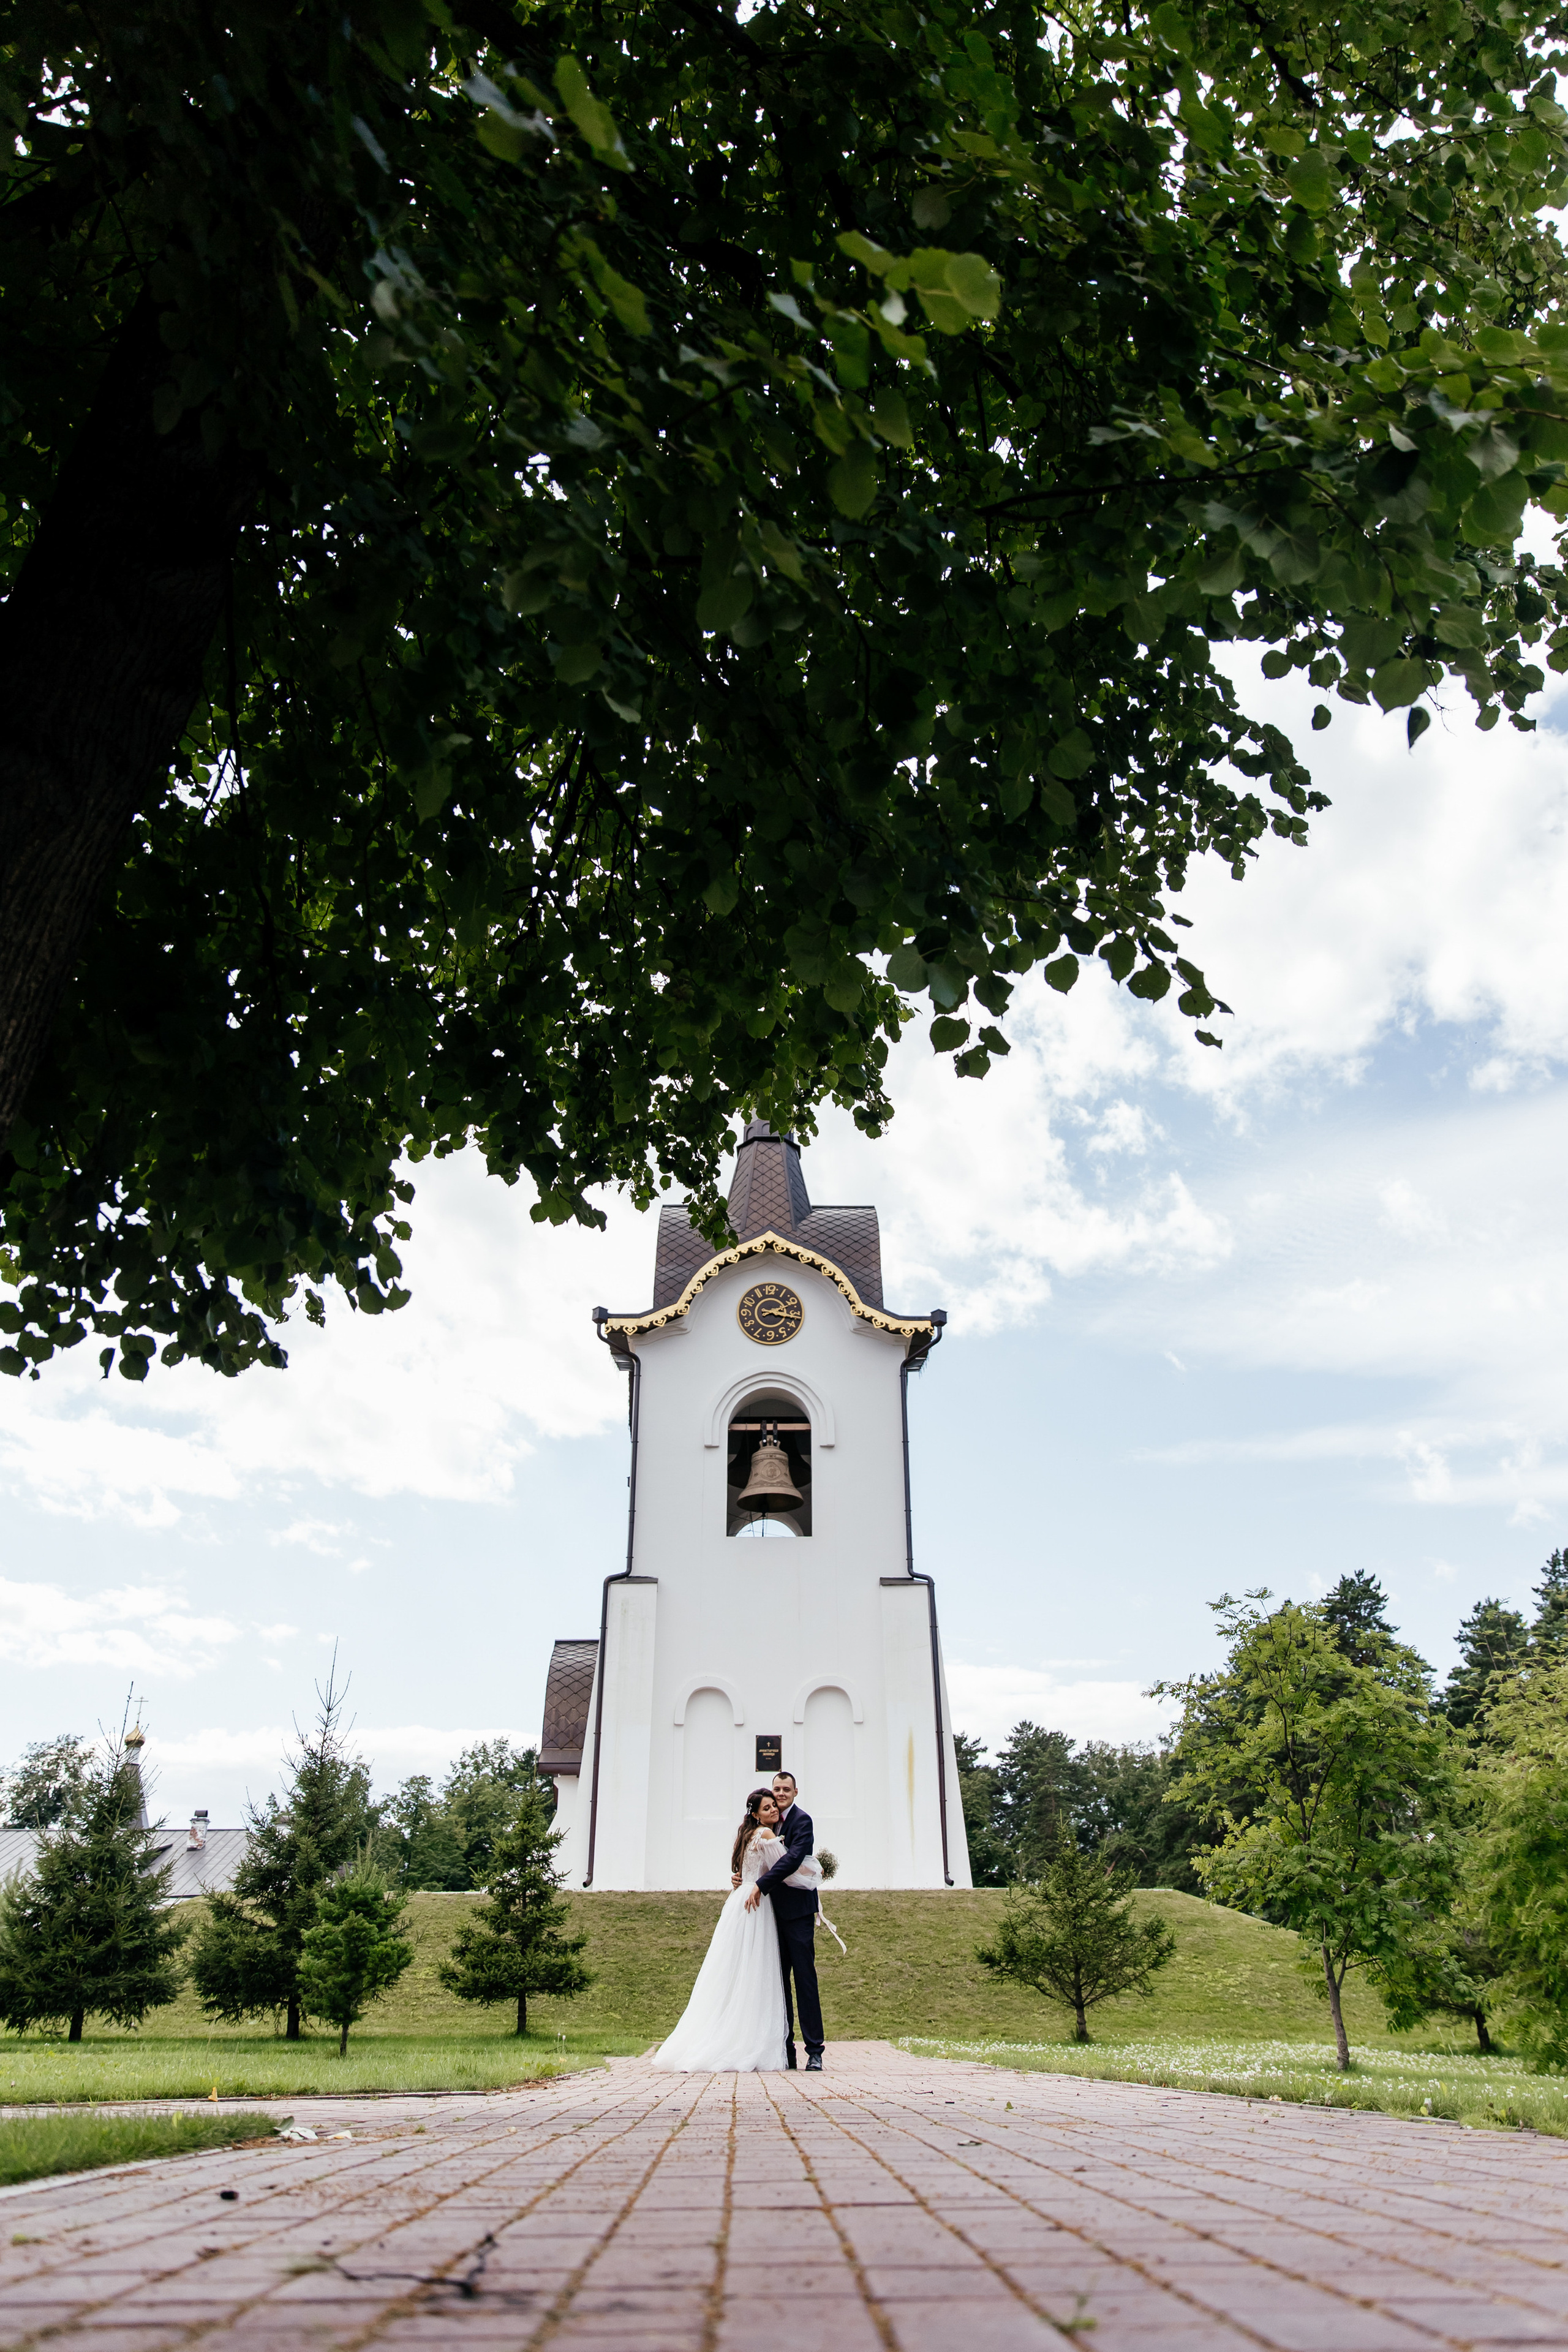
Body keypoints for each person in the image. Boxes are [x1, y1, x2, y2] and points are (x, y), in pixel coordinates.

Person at [649, 1790, 789, 2072]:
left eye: (774, 1806)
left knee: (733, 1967)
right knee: (754, 1968)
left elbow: (746, 1870)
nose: (773, 1810)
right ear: (755, 1814)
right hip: (756, 1902)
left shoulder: (746, 1836)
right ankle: (747, 2040)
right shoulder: (766, 1835)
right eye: (767, 1808)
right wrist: (814, 1870)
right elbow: (787, 1868)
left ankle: (723, 2030)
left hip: (739, 1901)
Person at [747, 1770, 824, 2072]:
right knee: (777, 1985)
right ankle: (785, 2049)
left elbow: (791, 1859)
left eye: (786, 1789)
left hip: (798, 1913)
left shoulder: (802, 1821)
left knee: (805, 1981)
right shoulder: (765, 1822)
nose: (780, 1794)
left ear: (795, 1792)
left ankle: (815, 2051)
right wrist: (744, 1876)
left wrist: (761, 1884)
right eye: (776, 1789)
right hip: (770, 1915)